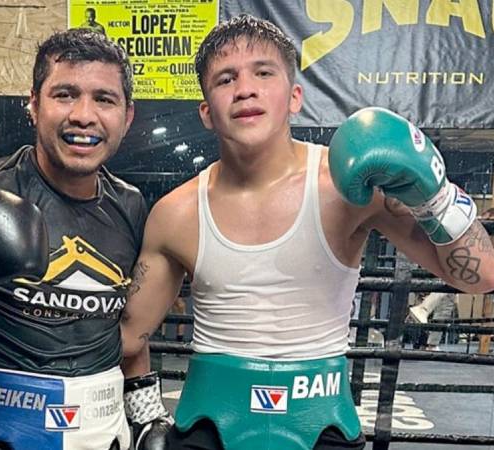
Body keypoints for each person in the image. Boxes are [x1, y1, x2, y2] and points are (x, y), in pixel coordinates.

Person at [120, 14, 494, 450]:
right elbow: (129, 336)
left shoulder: (346, 190)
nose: (245, 89)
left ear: (295, 96)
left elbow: (481, 275)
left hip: (321, 425)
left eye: (263, 72)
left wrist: (437, 197)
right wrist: (145, 413)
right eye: (226, 79)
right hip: (208, 427)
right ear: (206, 111)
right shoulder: (176, 213)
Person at [0, 29, 168, 450]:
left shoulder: (131, 208)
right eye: (64, 94)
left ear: (127, 116)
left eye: (104, 99)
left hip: (101, 433)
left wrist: (148, 417)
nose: (83, 115)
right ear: (34, 104)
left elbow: (130, 334)